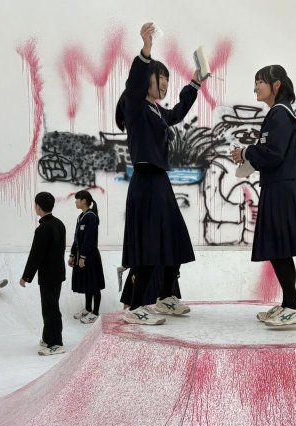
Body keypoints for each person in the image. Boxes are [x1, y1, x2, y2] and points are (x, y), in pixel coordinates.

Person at [115, 22, 208, 325]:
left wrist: (194, 83)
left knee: (175, 239)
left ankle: (166, 296)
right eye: (161, 78)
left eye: (168, 79)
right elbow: (134, 82)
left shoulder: (157, 111)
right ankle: (136, 307)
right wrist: (145, 50)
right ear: (148, 80)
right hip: (146, 182)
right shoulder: (135, 107)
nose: (165, 83)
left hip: (161, 182)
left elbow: (179, 112)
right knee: (150, 244)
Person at [231, 65, 296, 327]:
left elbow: (273, 153)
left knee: (280, 247)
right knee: (279, 248)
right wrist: (251, 154)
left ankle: (294, 306)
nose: (255, 88)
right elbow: (272, 153)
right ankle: (288, 303)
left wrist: (246, 153)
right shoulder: (279, 113)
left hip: (283, 189)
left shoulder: (280, 114)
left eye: (260, 82)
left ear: (276, 85)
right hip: (278, 187)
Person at [20, 192, 67, 356]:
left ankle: (56, 343)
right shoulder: (59, 224)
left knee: (50, 309)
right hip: (58, 272)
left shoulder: (42, 229)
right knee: (50, 307)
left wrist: (26, 276)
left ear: (38, 207)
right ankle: (48, 338)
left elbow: (36, 255)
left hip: (48, 274)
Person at [69, 190, 106, 323]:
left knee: (93, 284)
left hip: (90, 256)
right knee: (86, 283)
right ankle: (87, 309)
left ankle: (95, 312)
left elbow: (89, 239)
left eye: (77, 199)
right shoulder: (81, 217)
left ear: (84, 200)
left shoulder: (91, 217)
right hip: (80, 255)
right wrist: (73, 254)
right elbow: (76, 238)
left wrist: (83, 257)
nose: (75, 202)